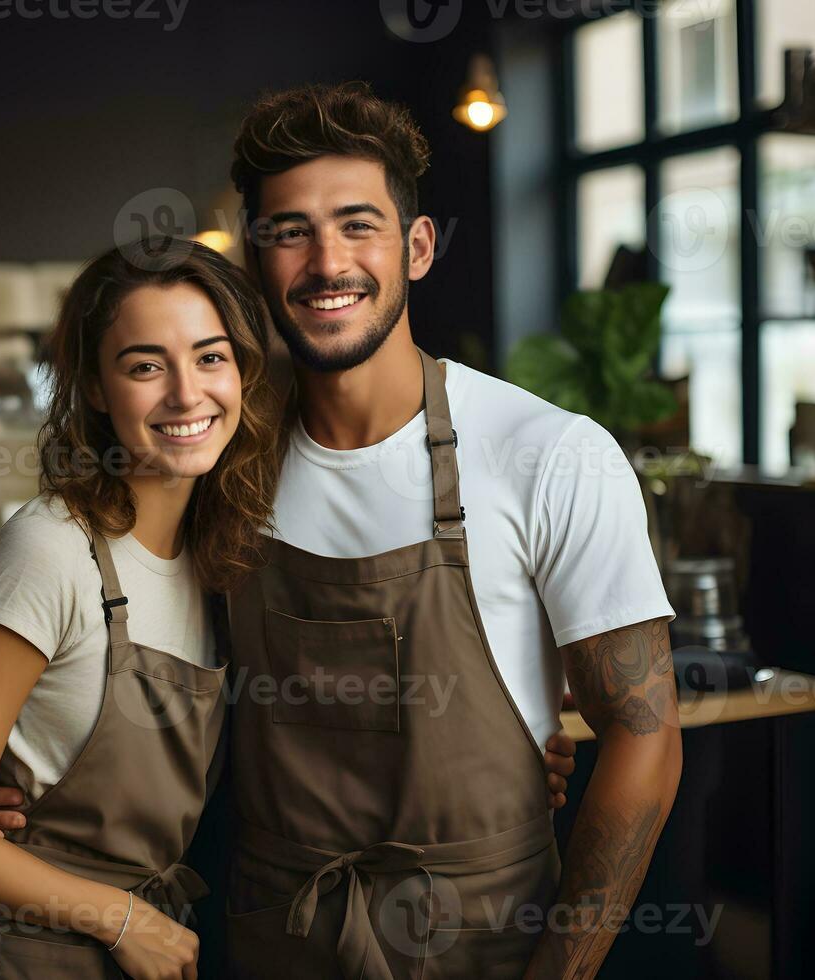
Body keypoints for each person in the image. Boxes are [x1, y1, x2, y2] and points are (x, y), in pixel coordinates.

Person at [217, 82, 683, 980]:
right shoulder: (224, 468)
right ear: (255, 256)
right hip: (278, 936)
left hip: (482, 945)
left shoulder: (549, 452)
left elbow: (645, 737)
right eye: (290, 231)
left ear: (417, 247)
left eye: (359, 225)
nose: (326, 263)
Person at [0, 240, 281, 980]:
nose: (187, 394)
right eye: (145, 365)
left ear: (244, 372)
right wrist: (122, 917)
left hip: (148, 950)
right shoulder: (48, 551)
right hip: (30, 959)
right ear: (96, 388)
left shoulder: (220, 561)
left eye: (210, 357)